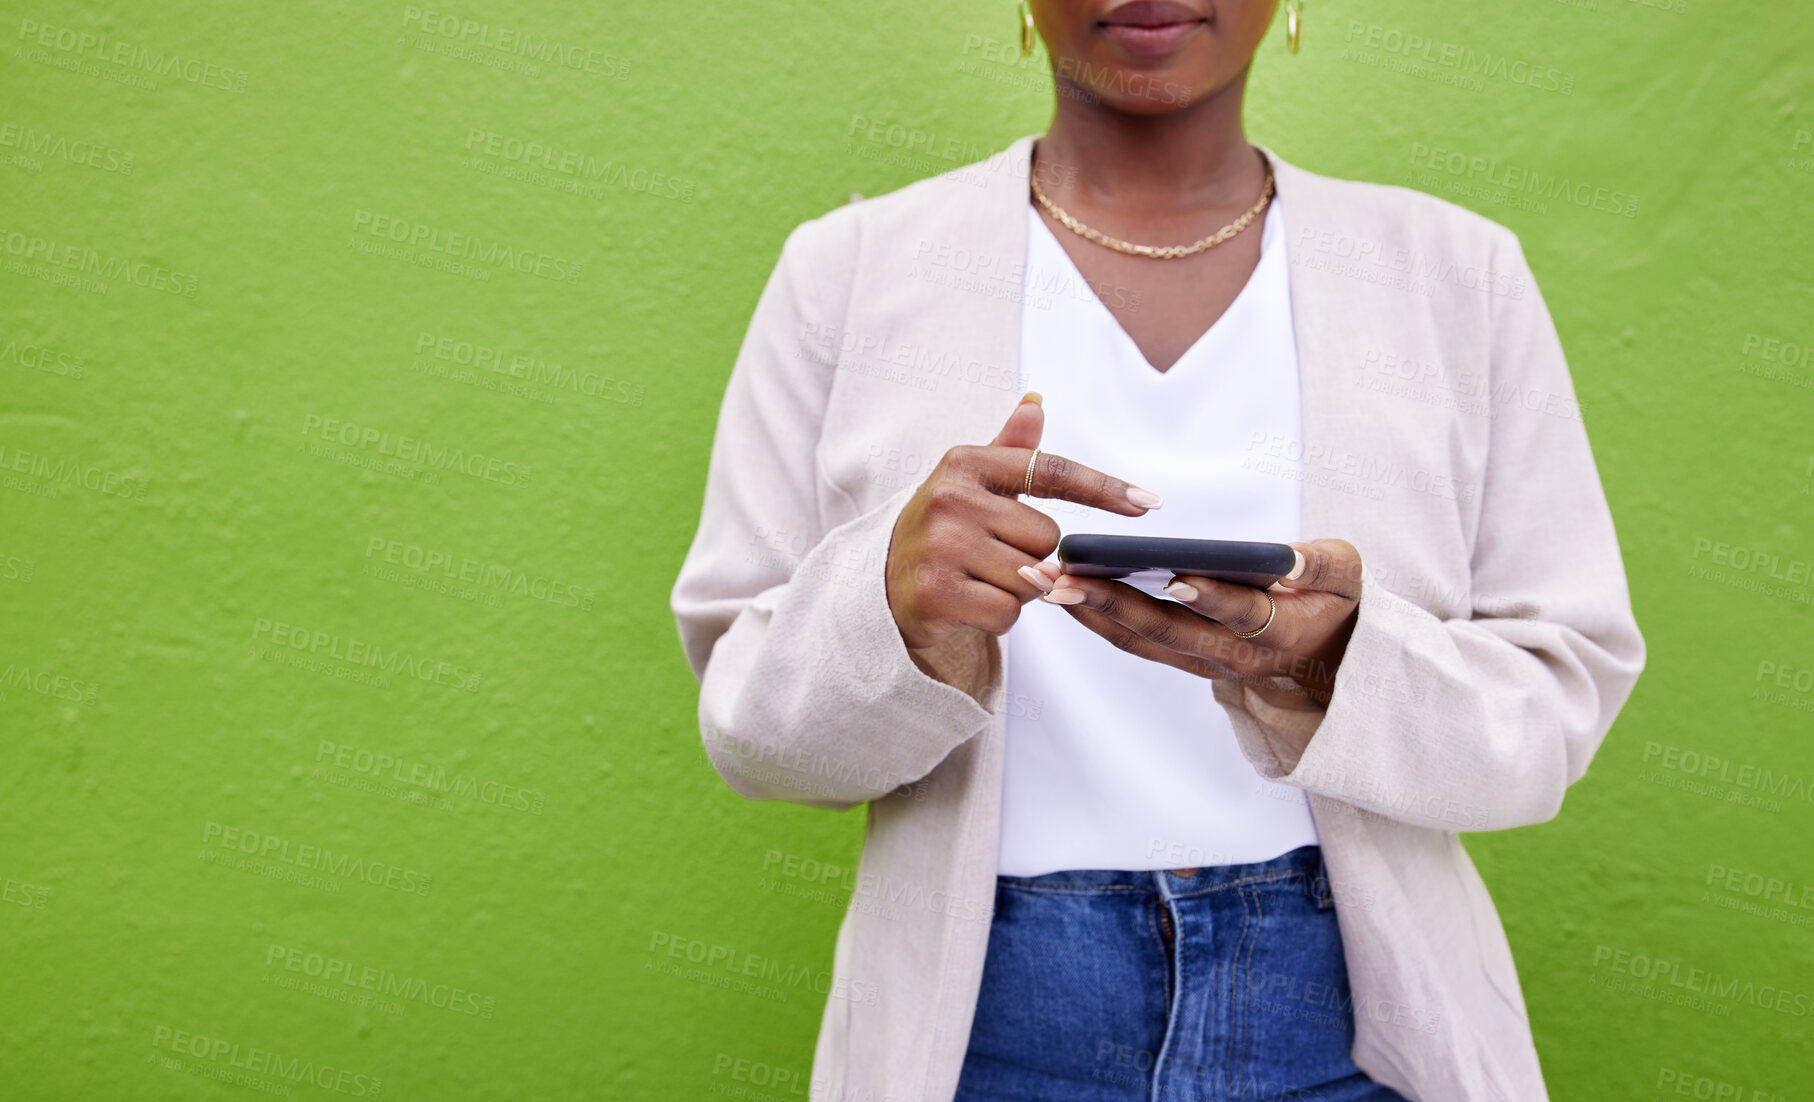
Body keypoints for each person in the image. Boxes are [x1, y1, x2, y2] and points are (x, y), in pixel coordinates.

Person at [671, 1, 1646, 1099]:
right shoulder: (846, 272)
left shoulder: (1454, 273)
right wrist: (892, 616)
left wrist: (1328, 663)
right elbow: (752, 735)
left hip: (1354, 1018)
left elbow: (1553, 710)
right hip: (988, 1021)